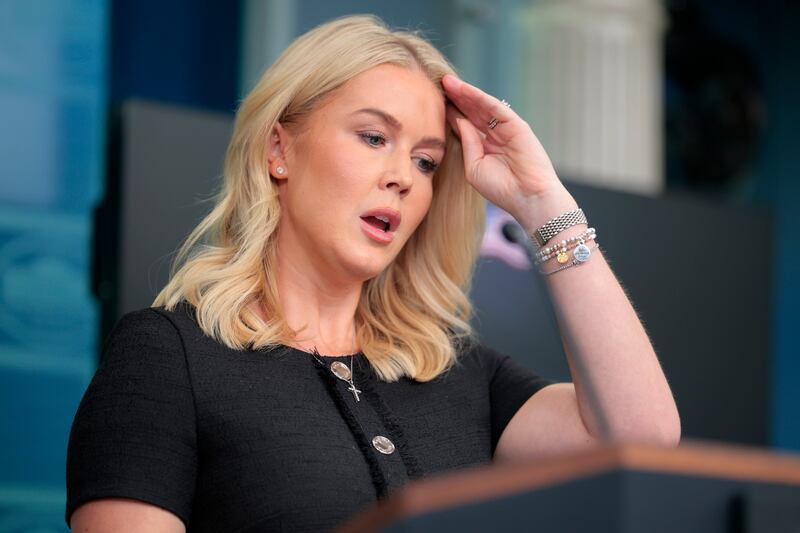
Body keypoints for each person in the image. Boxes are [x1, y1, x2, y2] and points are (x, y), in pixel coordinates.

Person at [65, 14, 680, 532]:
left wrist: (543, 200)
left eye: (426, 160)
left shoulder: (461, 375)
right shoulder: (168, 356)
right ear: (279, 150)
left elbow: (643, 437)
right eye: (372, 137)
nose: (404, 177)